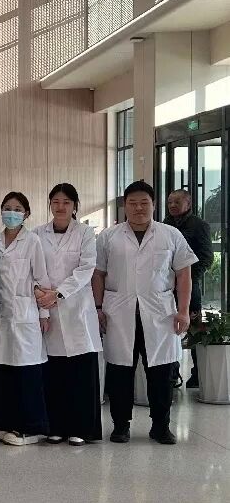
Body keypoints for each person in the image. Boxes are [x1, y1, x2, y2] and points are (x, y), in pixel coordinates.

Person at [93, 181, 197, 445]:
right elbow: (98, 274)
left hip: (160, 314)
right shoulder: (108, 237)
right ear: (124, 206)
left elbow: (184, 274)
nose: (138, 208)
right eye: (132, 203)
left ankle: (161, 426)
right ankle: (120, 426)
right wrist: (97, 308)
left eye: (144, 203)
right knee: (120, 371)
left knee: (161, 372)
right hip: (118, 314)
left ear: (153, 204)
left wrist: (183, 311)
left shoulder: (171, 235)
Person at [34, 184, 102, 445]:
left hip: (77, 309)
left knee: (81, 373)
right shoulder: (38, 234)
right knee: (54, 373)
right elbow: (34, 268)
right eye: (55, 202)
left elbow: (86, 268)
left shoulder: (85, 233)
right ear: (50, 204)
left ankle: (82, 429)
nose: (60, 207)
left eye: (66, 202)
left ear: (75, 206)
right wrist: (42, 294)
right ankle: (56, 426)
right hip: (48, 308)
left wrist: (58, 293)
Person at [0, 192, 51, 446]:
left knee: (26, 373)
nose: (11, 213)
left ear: (26, 214)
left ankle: (30, 429)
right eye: (7, 208)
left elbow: (41, 279)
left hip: (25, 314)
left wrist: (44, 313)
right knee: (1, 371)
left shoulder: (32, 241)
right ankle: (5, 424)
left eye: (17, 209)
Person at [164, 188, 213, 388]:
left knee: (193, 332)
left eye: (177, 202)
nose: (172, 205)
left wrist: (187, 278)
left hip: (191, 288)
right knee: (169, 329)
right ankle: (171, 374)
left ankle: (198, 375)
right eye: (170, 202)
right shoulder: (164, 225)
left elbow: (207, 257)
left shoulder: (199, 225)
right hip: (166, 288)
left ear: (188, 203)